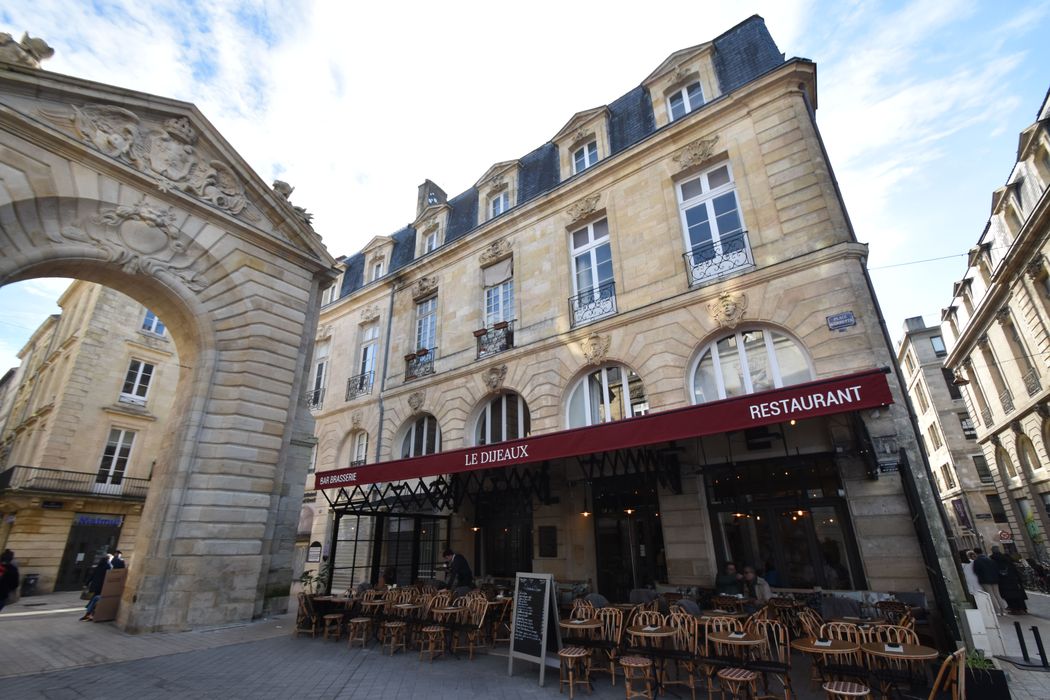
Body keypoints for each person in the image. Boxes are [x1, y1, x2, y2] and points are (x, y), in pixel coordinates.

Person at [972, 548, 1006, 615]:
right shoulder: (990, 559)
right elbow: (996, 568)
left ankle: (997, 611)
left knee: (991, 595)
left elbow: (976, 571)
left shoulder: (977, 561)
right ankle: (1003, 610)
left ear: (975, 553)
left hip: (985, 579)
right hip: (994, 579)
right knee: (997, 594)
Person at [993, 549, 1028, 614]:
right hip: (1014, 581)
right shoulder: (1008, 561)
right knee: (1018, 596)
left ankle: (1014, 609)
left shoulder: (996, 562)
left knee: (1009, 596)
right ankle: (1022, 609)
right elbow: (1016, 571)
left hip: (1004, 582)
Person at [80, 553, 113, 621]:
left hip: (95, 586)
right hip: (101, 587)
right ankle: (89, 614)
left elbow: (91, 575)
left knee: (94, 599)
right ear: (109, 559)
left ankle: (88, 613)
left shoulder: (99, 565)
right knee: (96, 600)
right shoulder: (109, 566)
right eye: (111, 559)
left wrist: (86, 583)